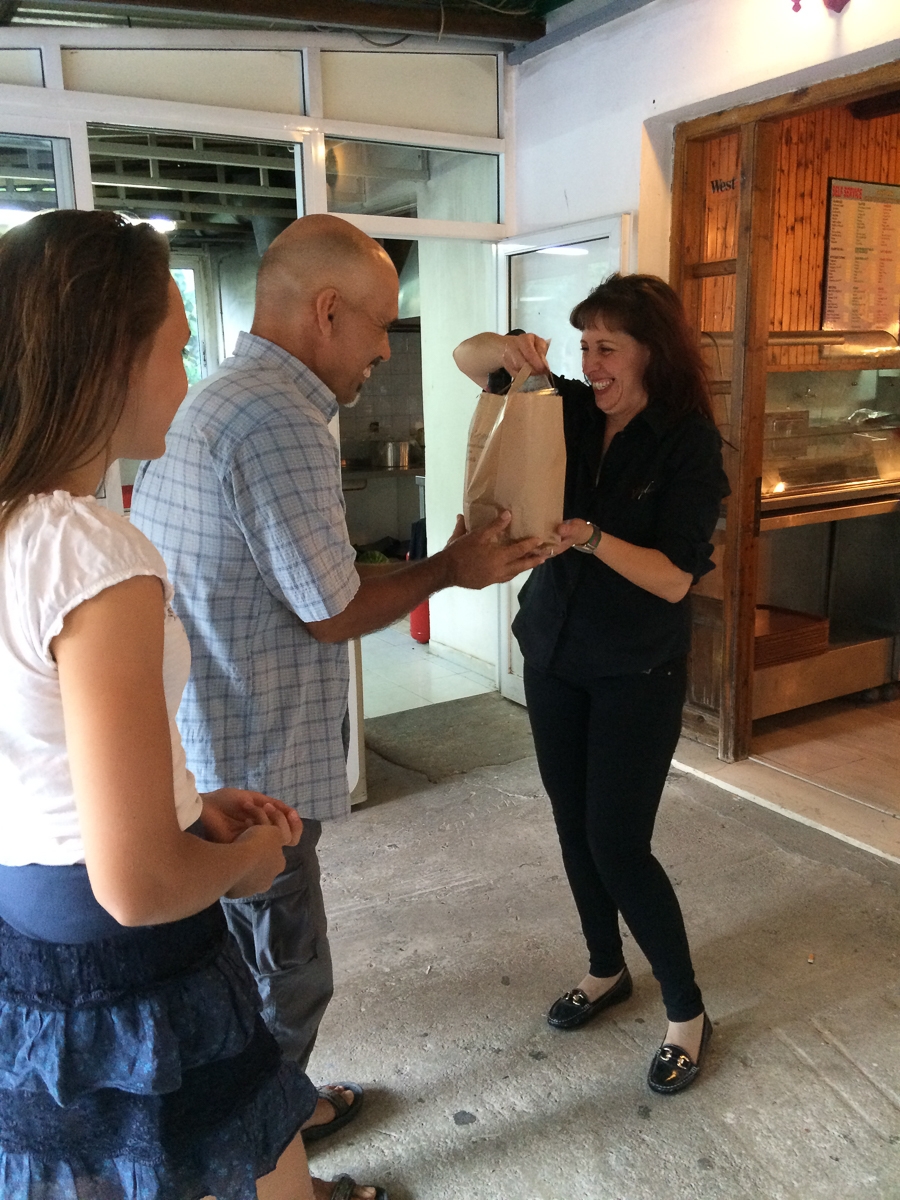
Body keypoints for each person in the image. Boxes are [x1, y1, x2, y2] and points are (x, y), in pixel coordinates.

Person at [0, 209, 391, 1200]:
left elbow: (44, 757)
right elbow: (137, 884)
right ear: (112, 362)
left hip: (32, 938)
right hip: (131, 963)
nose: (189, 376)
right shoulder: (94, 552)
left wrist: (186, 803)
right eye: (177, 349)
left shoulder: (15, 530)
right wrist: (244, 862)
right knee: (256, 1165)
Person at [131, 213, 549, 1139]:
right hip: (257, 760)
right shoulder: (279, 419)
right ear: (327, 311)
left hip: (211, 738)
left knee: (237, 963)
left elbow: (299, 583)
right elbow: (332, 610)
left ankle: (261, 1122)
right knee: (288, 973)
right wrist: (451, 567)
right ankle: (273, 1150)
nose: (384, 349)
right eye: (380, 325)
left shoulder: (223, 397)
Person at [453, 274, 730, 1096]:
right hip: (554, 652)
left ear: (651, 352)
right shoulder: (566, 407)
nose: (592, 362)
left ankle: (687, 1011)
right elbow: (469, 360)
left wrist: (593, 538)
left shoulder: (686, 442)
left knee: (617, 843)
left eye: (608, 347)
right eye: (584, 345)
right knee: (572, 827)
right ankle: (607, 968)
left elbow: (675, 578)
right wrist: (509, 350)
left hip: (636, 668)